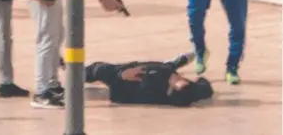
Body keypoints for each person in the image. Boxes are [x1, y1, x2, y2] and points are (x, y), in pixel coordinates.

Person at [82, 52, 214, 107]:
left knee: (99, 69)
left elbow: (123, 89)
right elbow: (205, 87)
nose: (181, 79)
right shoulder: (191, 92)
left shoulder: (153, 82)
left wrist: (121, 74)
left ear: (171, 89)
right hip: (148, 74)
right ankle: (175, 62)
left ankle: (78, 75)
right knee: (168, 67)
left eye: (178, 82)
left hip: (121, 85)